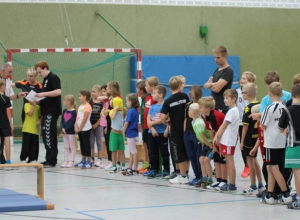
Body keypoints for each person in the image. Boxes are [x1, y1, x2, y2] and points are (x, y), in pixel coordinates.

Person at [250, 71, 292, 198]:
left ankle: (284, 192)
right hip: (277, 138)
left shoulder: (284, 99)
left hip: (277, 140)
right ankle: (271, 190)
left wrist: (260, 116)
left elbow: (264, 123)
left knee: (277, 167)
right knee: (269, 167)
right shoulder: (271, 102)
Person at [260, 82, 292, 205]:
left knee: (273, 167)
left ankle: (285, 193)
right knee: (270, 167)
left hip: (271, 142)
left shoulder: (269, 108)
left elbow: (263, 126)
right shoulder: (285, 107)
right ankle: (270, 193)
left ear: (269, 94)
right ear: (282, 94)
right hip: (282, 142)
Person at [161, 76, 190, 184]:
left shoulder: (168, 101)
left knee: (179, 153)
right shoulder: (185, 96)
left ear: (170, 88)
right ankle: (185, 174)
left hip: (175, 130)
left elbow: (163, 118)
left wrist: (167, 122)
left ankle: (182, 176)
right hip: (186, 128)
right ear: (179, 86)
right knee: (186, 152)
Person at [35, 61, 62, 168]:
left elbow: (58, 91)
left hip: (52, 111)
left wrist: (43, 94)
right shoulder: (45, 80)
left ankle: (51, 159)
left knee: (47, 135)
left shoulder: (53, 77)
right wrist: (39, 100)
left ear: (45, 68)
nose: (39, 74)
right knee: (50, 135)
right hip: (46, 111)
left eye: (39, 72)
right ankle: (51, 158)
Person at [239, 83, 264, 195]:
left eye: (243, 92)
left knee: (250, 161)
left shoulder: (248, 108)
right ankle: (261, 184)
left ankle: (253, 185)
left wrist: (242, 141)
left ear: (248, 94)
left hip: (249, 138)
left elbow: (245, 126)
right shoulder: (260, 105)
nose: (242, 94)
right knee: (255, 161)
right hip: (257, 137)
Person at [213, 89, 239, 192]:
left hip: (229, 141)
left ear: (234, 99)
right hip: (227, 140)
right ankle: (230, 183)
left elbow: (224, 126)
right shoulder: (232, 111)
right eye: (224, 98)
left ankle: (232, 184)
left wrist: (217, 136)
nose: (225, 100)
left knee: (230, 162)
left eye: (227, 98)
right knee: (228, 162)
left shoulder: (232, 111)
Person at [0, 63, 27, 165]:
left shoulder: (8, 81)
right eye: (9, 72)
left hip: (3, 112)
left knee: (3, 139)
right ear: (3, 70)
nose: (10, 74)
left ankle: (4, 160)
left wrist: (18, 95)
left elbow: (9, 97)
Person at [279, 84, 300, 210]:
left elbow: (281, 127)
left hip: (294, 145)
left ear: (291, 95)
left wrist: (285, 130)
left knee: (297, 172)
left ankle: (298, 199)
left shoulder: (287, 109)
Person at [200, 97, 226, 190]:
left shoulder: (216, 116)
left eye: (200, 107)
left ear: (207, 109)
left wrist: (219, 145)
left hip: (224, 138)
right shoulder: (205, 116)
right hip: (216, 139)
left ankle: (224, 181)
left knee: (222, 160)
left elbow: (220, 131)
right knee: (216, 160)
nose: (199, 109)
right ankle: (218, 180)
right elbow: (211, 130)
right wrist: (214, 146)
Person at [147, 85, 170, 179]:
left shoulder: (165, 106)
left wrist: (166, 130)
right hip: (152, 133)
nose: (152, 95)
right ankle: (153, 169)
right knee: (152, 152)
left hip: (162, 132)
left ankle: (166, 169)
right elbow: (148, 119)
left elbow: (163, 119)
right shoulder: (152, 107)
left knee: (164, 152)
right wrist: (152, 128)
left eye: (154, 93)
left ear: (161, 95)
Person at [188, 103, 213, 188]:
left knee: (206, 160)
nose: (188, 112)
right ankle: (204, 178)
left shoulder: (200, 122)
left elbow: (204, 137)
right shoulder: (193, 122)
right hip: (205, 144)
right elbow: (198, 136)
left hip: (210, 143)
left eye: (189, 110)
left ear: (194, 113)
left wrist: (211, 146)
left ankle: (210, 179)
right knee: (201, 159)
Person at [237, 71, 256, 178]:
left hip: (249, 121)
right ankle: (247, 165)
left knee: (249, 145)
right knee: (242, 145)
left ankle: (250, 165)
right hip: (240, 122)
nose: (241, 80)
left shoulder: (251, 95)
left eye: (244, 78)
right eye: (241, 78)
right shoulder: (236, 92)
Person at [204, 46, 234, 114]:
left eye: (218, 58)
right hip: (213, 105)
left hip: (221, 106)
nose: (216, 60)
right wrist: (212, 84)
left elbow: (217, 89)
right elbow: (205, 85)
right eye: (215, 57)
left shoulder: (228, 71)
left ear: (225, 56)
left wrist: (211, 85)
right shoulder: (217, 70)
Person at [104, 81, 126, 173]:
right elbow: (112, 117)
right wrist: (112, 109)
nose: (106, 89)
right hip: (113, 133)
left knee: (121, 151)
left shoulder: (118, 106)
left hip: (120, 133)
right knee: (114, 151)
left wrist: (123, 110)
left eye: (108, 87)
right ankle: (113, 166)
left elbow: (122, 116)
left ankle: (123, 165)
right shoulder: (113, 109)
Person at [139, 77, 159, 174]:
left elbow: (154, 114)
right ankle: (149, 166)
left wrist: (152, 126)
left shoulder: (154, 99)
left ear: (153, 86)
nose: (145, 87)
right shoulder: (147, 97)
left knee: (153, 149)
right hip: (145, 127)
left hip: (152, 127)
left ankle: (154, 168)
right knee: (148, 147)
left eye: (147, 85)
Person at [184, 85, 203, 186]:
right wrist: (184, 131)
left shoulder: (201, 104)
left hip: (197, 134)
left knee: (198, 156)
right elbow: (186, 119)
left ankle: (201, 176)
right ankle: (196, 176)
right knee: (191, 156)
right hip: (188, 132)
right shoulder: (188, 105)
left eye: (192, 92)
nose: (191, 94)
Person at [74, 90, 93, 169]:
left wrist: (80, 128)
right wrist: (76, 126)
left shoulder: (87, 106)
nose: (79, 98)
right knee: (82, 144)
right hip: (80, 129)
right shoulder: (81, 106)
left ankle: (89, 161)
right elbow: (78, 117)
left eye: (80, 96)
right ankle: (83, 160)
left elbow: (85, 118)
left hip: (85, 128)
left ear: (85, 97)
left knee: (86, 144)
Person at [122, 93, 139, 176]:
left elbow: (126, 123)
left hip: (130, 133)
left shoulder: (131, 111)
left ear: (131, 101)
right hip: (133, 132)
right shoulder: (135, 110)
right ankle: (130, 167)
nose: (126, 103)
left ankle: (135, 168)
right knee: (131, 151)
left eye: (127, 101)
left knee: (133, 151)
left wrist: (123, 131)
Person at [60, 94, 77, 168]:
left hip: (70, 132)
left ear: (69, 102)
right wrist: (62, 128)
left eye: (65, 100)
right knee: (66, 146)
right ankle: (65, 160)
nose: (64, 101)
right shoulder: (64, 110)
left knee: (72, 146)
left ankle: (72, 161)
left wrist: (66, 129)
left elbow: (72, 122)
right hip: (64, 132)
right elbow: (62, 121)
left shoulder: (73, 112)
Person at [135, 80, 149, 171]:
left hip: (148, 126)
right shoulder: (143, 98)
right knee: (145, 145)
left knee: (148, 146)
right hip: (144, 126)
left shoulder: (148, 98)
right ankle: (146, 163)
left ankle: (149, 165)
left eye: (137, 88)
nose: (136, 90)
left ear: (141, 90)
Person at [0, 79, 13, 168]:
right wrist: (11, 125)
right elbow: (8, 113)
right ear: (2, 86)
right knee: (7, 142)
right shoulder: (5, 98)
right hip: (4, 123)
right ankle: (8, 162)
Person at [90, 85, 104, 167]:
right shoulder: (90, 102)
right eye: (92, 91)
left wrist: (96, 124)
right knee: (91, 142)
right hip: (90, 125)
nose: (92, 93)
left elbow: (102, 116)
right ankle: (92, 158)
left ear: (99, 93)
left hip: (98, 125)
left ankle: (100, 159)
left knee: (99, 141)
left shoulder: (102, 103)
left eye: (94, 92)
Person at [99, 85, 112, 169]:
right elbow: (99, 97)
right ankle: (109, 160)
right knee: (107, 143)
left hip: (108, 125)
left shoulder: (109, 101)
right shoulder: (105, 101)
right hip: (104, 124)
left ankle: (112, 160)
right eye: (102, 91)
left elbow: (109, 116)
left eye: (105, 91)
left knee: (110, 143)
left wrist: (107, 126)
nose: (103, 93)